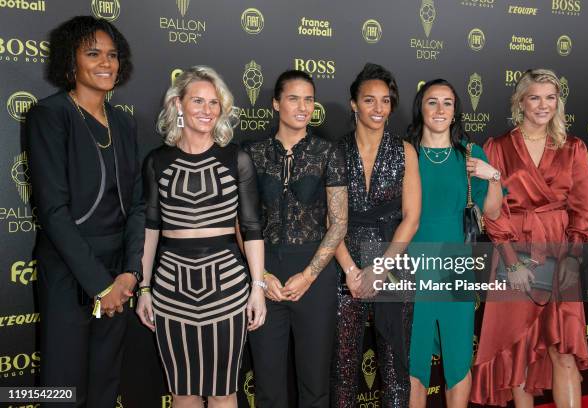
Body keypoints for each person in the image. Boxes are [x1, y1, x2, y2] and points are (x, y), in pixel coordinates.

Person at [26, 16, 143, 408]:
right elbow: (53, 210)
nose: (106, 62)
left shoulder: (125, 123)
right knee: (62, 385)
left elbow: (138, 205)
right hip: (67, 268)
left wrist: (129, 273)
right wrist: (100, 285)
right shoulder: (50, 115)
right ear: (70, 61)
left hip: (118, 270)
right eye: (93, 53)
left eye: (112, 55)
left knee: (105, 384)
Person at [136, 66, 266, 408]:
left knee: (224, 390)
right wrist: (144, 288)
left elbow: (251, 228)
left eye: (214, 102)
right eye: (198, 101)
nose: (207, 110)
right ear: (178, 104)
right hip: (170, 289)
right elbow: (150, 229)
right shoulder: (157, 161)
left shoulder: (236, 158)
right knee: (183, 391)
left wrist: (258, 288)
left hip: (227, 287)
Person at [471, 69, 588, 407]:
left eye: (551, 97)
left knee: (564, 351)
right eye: (535, 97)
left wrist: (572, 257)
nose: (543, 105)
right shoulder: (496, 147)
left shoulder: (574, 148)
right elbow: (492, 212)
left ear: (558, 103)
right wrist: (512, 263)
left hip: (560, 252)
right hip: (515, 251)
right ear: (521, 102)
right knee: (519, 353)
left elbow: (584, 213)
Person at [244, 70, 348, 408]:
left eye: (308, 99)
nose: (302, 106)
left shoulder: (328, 152)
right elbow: (242, 222)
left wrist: (309, 275)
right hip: (266, 269)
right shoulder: (252, 153)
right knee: (268, 384)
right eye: (293, 98)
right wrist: (261, 277)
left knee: (315, 384)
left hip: (314, 273)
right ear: (276, 103)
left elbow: (338, 223)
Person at [406, 79, 503, 408]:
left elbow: (492, 211)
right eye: (432, 101)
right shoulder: (404, 151)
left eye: (447, 102)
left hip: (455, 266)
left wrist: (493, 176)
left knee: (459, 361)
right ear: (420, 106)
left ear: (455, 110)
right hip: (410, 266)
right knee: (413, 362)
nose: (440, 109)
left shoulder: (471, 153)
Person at [330, 63, 421, 407]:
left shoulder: (405, 151)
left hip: (394, 264)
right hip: (343, 266)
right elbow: (331, 220)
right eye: (369, 100)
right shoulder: (335, 152)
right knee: (343, 368)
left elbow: (411, 219)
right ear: (354, 104)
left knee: (396, 369)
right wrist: (353, 272)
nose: (378, 109)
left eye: (385, 101)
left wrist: (381, 268)